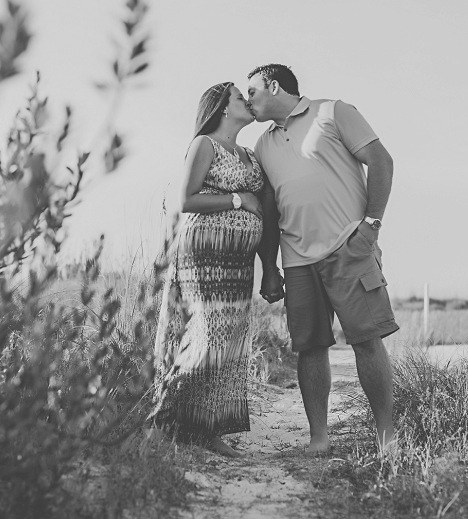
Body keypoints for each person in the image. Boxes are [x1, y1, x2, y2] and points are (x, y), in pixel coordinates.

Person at [247, 64, 399, 454]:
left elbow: (381, 161)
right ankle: (319, 438)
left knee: (366, 341)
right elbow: (270, 210)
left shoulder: (332, 111)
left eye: (252, 91)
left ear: (274, 86)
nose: (248, 100)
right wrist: (270, 268)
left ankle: (386, 435)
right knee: (309, 347)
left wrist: (371, 226)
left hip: (349, 246)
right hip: (296, 259)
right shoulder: (263, 145)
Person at [147, 82, 266, 458]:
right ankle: (166, 419)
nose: (246, 100)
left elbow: (262, 208)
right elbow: (186, 199)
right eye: (238, 97)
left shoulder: (249, 153)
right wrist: (236, 198)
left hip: (239, 261)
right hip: (205, 255)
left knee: (230, 343)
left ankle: (205, 428)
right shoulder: (204, 145)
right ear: (222, 108)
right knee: (206, 336)